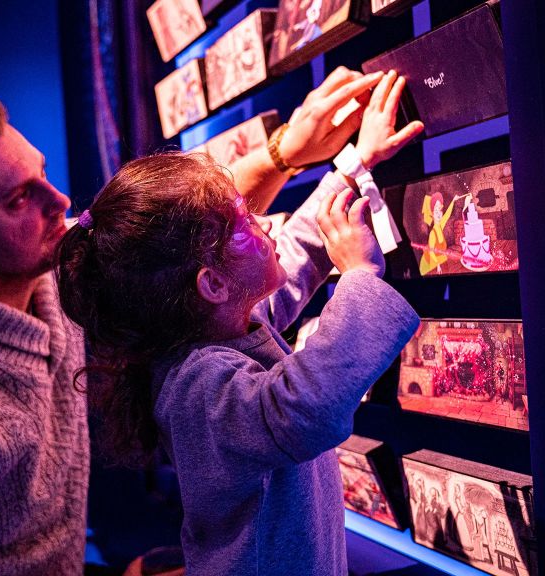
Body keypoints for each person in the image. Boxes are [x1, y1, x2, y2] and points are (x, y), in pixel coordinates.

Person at [0, 65, 384, 574]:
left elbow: (173, 236)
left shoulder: (50, 280)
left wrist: (290, 154)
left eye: (43, 174)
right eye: (18, 199)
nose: (60, 200)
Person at [55, 70, 423, 575]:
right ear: (212, 285)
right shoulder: (199, 385)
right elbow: (304, 411)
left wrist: (357, 163)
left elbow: (297, 252)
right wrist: (358, 275)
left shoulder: (214, 329)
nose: (265, 222)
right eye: (244, 223)